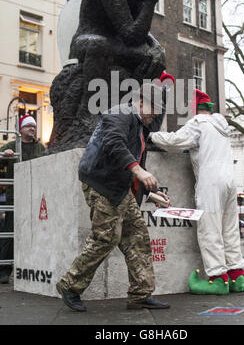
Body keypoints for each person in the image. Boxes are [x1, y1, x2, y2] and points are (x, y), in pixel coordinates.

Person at [56, 84, 171, 312]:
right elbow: (114, 144)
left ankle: (141, 293)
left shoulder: (139, 127)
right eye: (154, 108)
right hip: (101, 183)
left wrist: (151, 193)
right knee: (105, 238)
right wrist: (139, 171)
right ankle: (70, 286)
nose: (156, 114)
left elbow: (137, 164)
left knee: (137, 237)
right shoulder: (120, 113)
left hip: (119, 188)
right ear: (141, 101)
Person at [149, 89, 244, 295]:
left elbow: (175, 141)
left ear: (194, 109)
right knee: (228, 228)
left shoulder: (198, 123)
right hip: (230, 182)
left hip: (210, 182)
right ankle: (237, 275)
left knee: (209, 228)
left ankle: (218, 279)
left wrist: (151, 135)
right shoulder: (222, 127)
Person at [0, 115, 45, 284]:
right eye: (28, 126)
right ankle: (4, 271)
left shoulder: (40, 147)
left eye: (34, 126)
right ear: (21, 129)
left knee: (34, 232)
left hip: (35, 195)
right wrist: (5, 156)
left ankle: (30, 266)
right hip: (15, 196)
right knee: (9, 233)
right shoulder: (11, 146)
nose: (32, 129)